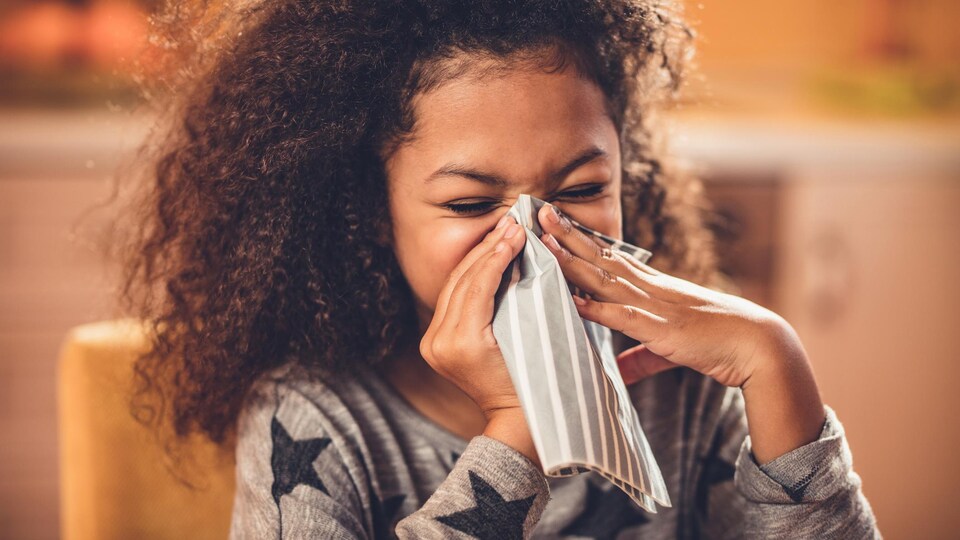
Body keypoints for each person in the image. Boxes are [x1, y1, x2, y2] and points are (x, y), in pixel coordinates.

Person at [117, 0, 882, 538]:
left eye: (581, 191)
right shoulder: (315, 421)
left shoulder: (693, 391)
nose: (534, 238)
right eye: (470, 202)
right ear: (370, 212)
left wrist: (776, 359)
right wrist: (517, 430)